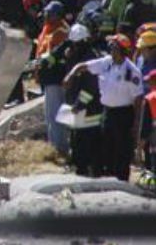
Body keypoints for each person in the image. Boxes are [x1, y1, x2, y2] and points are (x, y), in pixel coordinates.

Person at [64, 34, 145, 181]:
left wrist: (136, 124)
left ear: (123, 51)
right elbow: (84, 66)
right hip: (107, 111)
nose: (111, 51)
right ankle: (107, 178)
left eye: (114, 48)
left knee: (122, 149)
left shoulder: (131, 72)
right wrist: (71, 74)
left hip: (124, 114)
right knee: (105, 146)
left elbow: (138, 99)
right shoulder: (106, 63)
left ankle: (121, 180)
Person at [62, 24, 103, 177]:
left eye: (76, 43)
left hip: (89, 109)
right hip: (76, 107)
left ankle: (90, 171)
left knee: (88, 141)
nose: (74, 46)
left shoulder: (90, 59)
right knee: (76, 139)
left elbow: (91, 87)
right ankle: (80, 167)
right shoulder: (75, 56)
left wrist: (80, 104)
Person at [33, 1, 71, 154]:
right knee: (52, 114)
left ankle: (59, 148)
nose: (46, 16)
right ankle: (56, 145)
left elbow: (53, 57)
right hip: (48, 78)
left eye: (50, 14)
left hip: (57, 78)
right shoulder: (47, 30)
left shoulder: (61, 31)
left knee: (56, 115)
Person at [140, 71, 156, 185]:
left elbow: (146, 124)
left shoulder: (150, 98)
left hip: (153, 139)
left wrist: (141, 141)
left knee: (151, 167)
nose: (148, 85)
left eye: (150, 82)